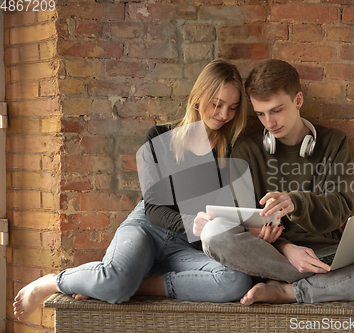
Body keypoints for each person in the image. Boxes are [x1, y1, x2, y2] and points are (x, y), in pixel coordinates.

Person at [13, 59, 278, 321]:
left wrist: (251, 232)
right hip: (146, 229)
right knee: (116, 280)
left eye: (232, 108)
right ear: (198, 97)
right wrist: (190, 222)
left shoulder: (231, 150)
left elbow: (230, 211)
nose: (224, 115)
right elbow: (153, 207)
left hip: (189, 246)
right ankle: (51, 282)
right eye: (217, 104)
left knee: (236, 280)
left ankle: (135, 284)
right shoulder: (160, 137)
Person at [198, 59, 354, 305]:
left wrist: (295, 202)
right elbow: (245, 220)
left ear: (298, 100)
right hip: (277, 257)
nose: (269, 123)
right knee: (214, 234)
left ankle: (291, 292)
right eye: (261, 114)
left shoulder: (333, 143)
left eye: (276, 110)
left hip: (330, 256)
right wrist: (287, 249)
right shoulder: (247, 149)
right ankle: (331, 285)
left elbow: (339, 209)